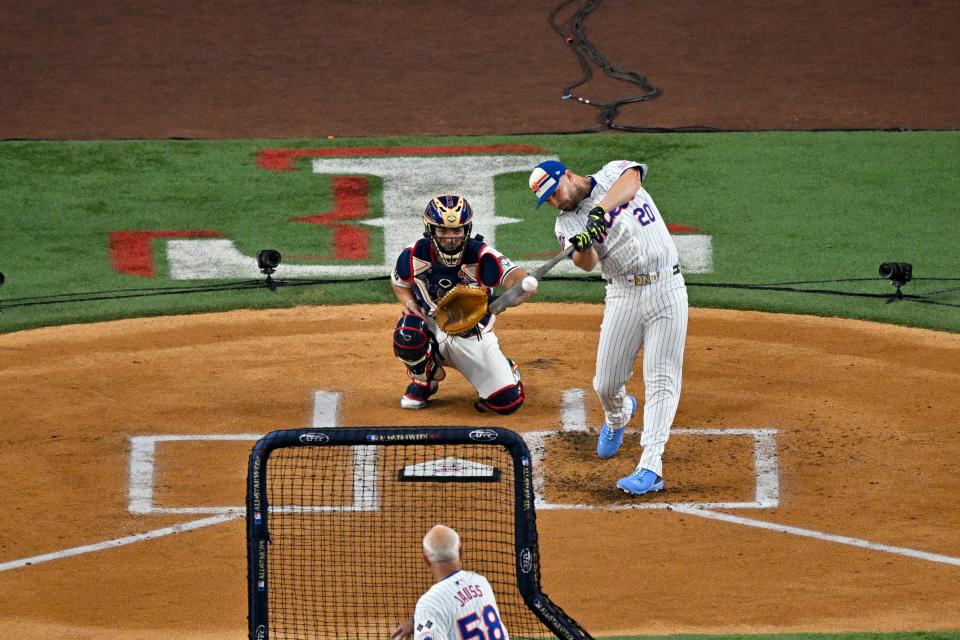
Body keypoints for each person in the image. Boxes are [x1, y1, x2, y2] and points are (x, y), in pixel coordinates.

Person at [528, 159, 688, 495]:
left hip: (667, 287)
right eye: (549, 201)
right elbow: (586, 265)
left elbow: (633, 180)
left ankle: (651, 465)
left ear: (568, 176)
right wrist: (586, 242)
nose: (556, 202)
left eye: (555, 193)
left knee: (662, 378)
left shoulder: (612, 173)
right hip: (623, 293)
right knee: (606, 383)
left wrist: (600, 210)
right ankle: (618, 415)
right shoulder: (566, 224)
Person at [391, 194, 532, 414]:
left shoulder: (483, 254)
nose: (451, 238)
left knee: (506, 403)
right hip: (434, 326)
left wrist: (515, 292)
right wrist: (409, 303)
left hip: (472, 334)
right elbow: (398, 283)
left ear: (466, 229)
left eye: (457, 230)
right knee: (407, 332)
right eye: (443, 231)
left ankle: (507, 368)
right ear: (431, 229)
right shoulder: (413, 255)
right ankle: (424, 382)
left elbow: (518, 278)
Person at [390, 525, 510, 640]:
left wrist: (425, 616)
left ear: (426, 560)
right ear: (461, 551)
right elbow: (457, 604)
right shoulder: (481, 582)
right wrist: (418, 621)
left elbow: (442, 605)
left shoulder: (429, 604)